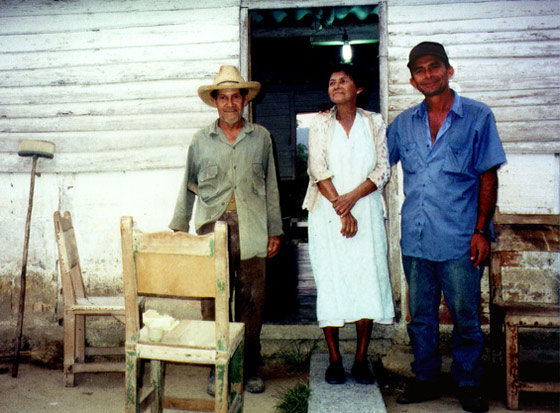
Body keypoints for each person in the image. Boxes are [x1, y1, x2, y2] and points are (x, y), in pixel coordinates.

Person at [387, 42, 506, 413]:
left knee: (465, 316)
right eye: (419, 70)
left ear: (449, 70)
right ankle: (425, 378)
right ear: (412, 80)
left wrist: (480, 230)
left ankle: (469, 382)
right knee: (420, 317)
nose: (428, 75)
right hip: (416, 239)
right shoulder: (403, 123)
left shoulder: (477, 116)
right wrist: (338, 117)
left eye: (434, 66)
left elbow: (487, 176)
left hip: (459, 240)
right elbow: (374, 160)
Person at [169, 65, 283, 394]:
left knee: (251, 301)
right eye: (223, 98)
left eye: (236, 97)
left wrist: (273, 229)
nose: (230, 103)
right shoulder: (200, 141)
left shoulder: (261, 137)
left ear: (245, 100)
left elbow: (271, 186)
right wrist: (179, 228)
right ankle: (216, 366)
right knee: (213, 301)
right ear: (215, 102)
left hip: (252, 228)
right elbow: (186, 185)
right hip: (211, 230)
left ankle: (248, 368)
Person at [303, 64, 395, 385]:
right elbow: (317, 168)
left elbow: (382, 169)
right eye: (331, 82)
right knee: (331, 280)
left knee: (366, 279)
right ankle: (334, 359)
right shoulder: (319, 123)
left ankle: (360, 360)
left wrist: (353, 199)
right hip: (328, 214)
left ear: (358, 88)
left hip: (366, 210)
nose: (336, 85)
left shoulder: (374, 122)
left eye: (344, 80)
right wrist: (342, 209)